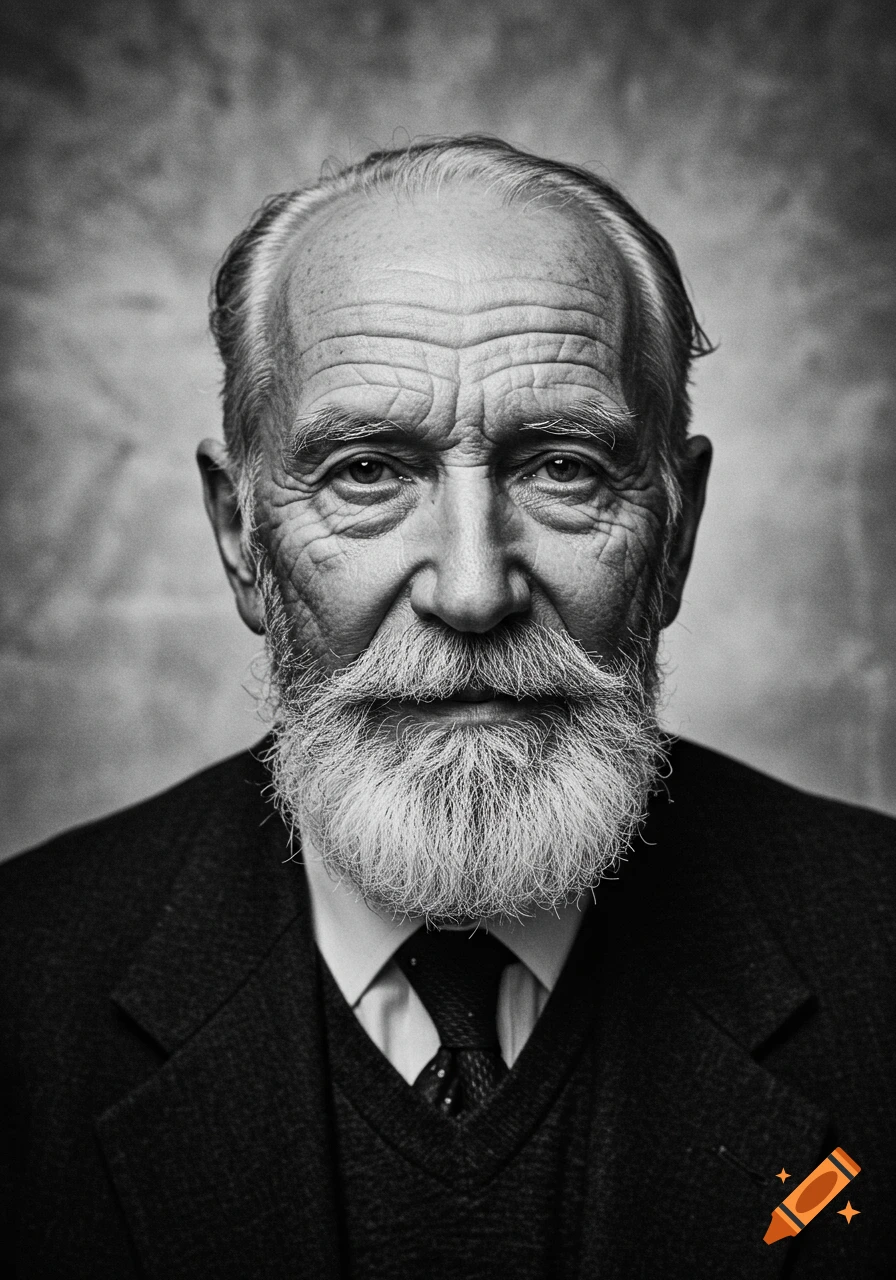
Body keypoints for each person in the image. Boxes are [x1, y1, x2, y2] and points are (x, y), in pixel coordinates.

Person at [1, 136, 892, 1280]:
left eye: (562, 467)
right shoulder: (24, 993)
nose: (472, 589)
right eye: (366, 471)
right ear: (240, 541)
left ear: (673, 533)